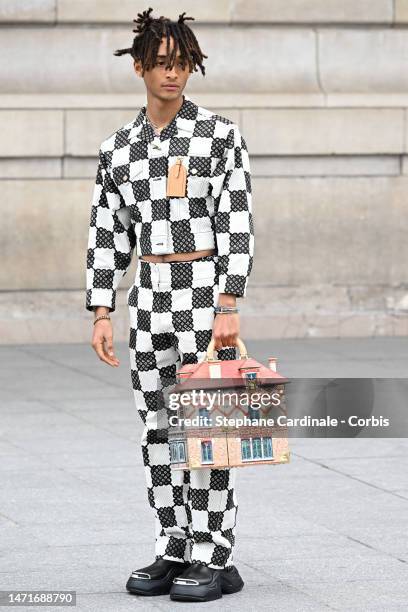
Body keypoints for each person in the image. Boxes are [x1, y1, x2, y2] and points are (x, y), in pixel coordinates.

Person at [85, 7, 254, 603]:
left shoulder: (218, 135)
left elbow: (236, 220)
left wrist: (230, 299)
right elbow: (107, 231)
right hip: (148, 299)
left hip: (204, 294)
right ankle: (173, 543)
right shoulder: (118, 148)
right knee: (157, 430)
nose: (173, 75)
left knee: (208, 425)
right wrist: (103, 310)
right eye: (161, 65)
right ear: (138, 68)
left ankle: (213, 551)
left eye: (181, 64)